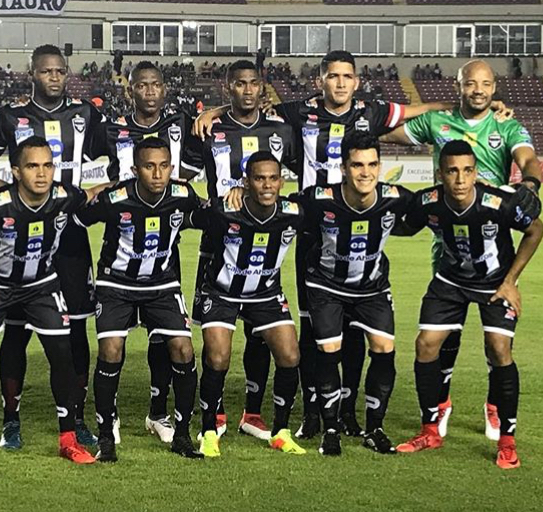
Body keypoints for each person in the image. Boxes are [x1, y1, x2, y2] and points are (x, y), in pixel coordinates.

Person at [193, 50, 460, 441]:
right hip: (313, 229)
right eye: (333, 76)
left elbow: (414, 113)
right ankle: (314, 412)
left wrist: (453, 107)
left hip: (359, 227)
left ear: (356, 81)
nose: (340, 83)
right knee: (311, 326)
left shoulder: (370, 113)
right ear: (321, 80)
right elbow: (248, 105)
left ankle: (346, 411)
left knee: (354, 326)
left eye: (347, 76)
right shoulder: (298, 112)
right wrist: (215, 111)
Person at [380, 59, 541, 440]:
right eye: (471, 83)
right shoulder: (438, 121)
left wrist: (530, 183)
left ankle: (495, 406)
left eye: (485, 84)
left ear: (494, 87)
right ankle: (440, 405)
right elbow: (387, 133)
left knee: (497, 344)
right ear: (459, 86)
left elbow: (528, 158)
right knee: (442, 338)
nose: (478, 90)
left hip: (493, 243)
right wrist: (429, 108)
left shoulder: (505, 124)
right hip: (447, 247)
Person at [0, 138, 106, 468]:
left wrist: (126, 182)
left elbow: (91, 194)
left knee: (63, 354)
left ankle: (68, 440)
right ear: (16, 172)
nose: (42, 174)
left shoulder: (63, 196)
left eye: (48, 165)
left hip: (42, 287)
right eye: (32, 166)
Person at [396, 140, 543, 470]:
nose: (460, 179)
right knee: (425, 345)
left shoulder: (498, 203)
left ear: (476, 173)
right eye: (452, 171)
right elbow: (408, 226)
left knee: (499, 348)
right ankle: (429, 431)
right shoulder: (429, 201)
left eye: (467, 171)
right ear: (440, 174)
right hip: (450, 282)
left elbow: (535, 230)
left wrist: (511, 281)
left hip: (495, 283)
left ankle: (507, 442)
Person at [0, 44, 105, 449]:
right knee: (16, 332)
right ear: (32, 74)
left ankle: (77, 417)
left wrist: (89, 194)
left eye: (60, 71)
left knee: (76, 330)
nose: (54, 77)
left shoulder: (85, 114)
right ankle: (10, 420)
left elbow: (115, 160)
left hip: (70, 237)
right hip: (21, 237)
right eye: (46, 71)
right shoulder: (10, 117)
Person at [182, 60, 299, 441]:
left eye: (253, 84)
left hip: (264, 242)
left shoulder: (281, 129)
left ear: (261, 87)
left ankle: (253, 412)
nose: (247, 90)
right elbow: (182, 179)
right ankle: (213, 412)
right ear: (227, 87)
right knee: (217, 340)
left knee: (260, 333)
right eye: (239, 84)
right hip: (220, 240)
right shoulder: (207, 129)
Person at [75, 138, 204, 462]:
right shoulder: (116, 198)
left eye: (163, 166)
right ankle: (106, 436)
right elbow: (79, 218)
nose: (157, 174)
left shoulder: (183, 194)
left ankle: (182, 435)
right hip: (115, 283)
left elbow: (209, 215)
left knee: (183, 348)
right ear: (135, 170)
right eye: (149, 166)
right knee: (111, 349)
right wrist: (91, 192)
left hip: (162, 283)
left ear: (171, 168)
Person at [87, 60, 196, 444]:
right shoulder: (110, 129)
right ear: (129, 89)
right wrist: (97, 189)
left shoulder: (182, 122)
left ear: (165, 88)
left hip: (164, 252)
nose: (149, 91)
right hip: (120, 244)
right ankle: (108, 420)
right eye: (141, 85)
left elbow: (199, 171)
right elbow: (77, 155)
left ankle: (160, 414)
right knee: (112, 346)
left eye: (156, 85)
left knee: (167, 341)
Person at [295, 133, 413, 455]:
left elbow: (424, 214)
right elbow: (285, 210)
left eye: (372, 165)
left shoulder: (395, 197)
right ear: (344, 168)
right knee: (329, 349)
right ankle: (330, 429)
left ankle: (374, 428)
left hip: (371, 287)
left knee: (384, 348)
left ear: (380, 166)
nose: (366, 172)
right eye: (358, 165)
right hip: (326, 285)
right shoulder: (319, 198)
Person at [191, 152, 305, 457]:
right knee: (218, 358)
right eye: (259, 178)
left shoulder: (294, 213)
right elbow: (192, 216)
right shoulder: (224, 211)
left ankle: (281, 432)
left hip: (265, 294)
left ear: (281, 182)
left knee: (290, 355)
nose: (267, 185)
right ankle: (209, 432)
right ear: (246, 182)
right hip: (222, 293)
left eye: (273, 178)